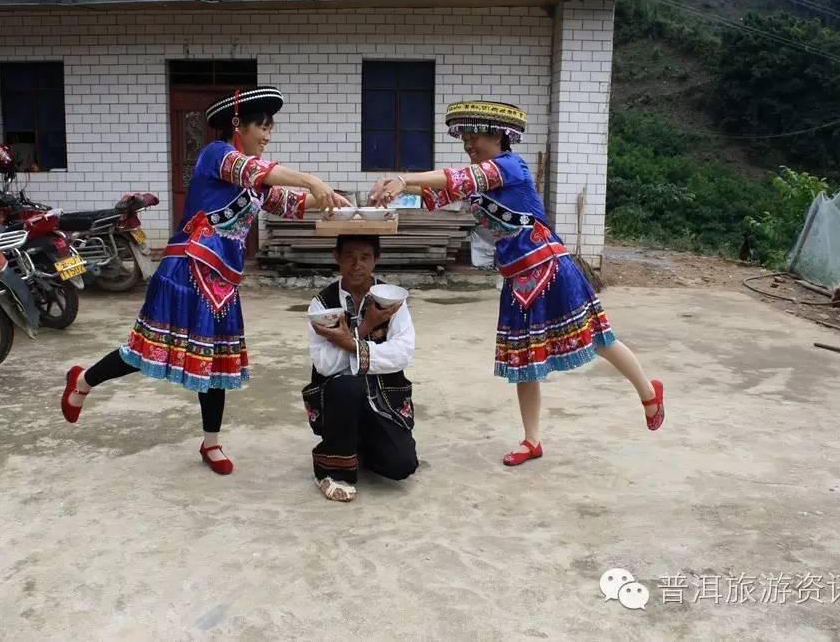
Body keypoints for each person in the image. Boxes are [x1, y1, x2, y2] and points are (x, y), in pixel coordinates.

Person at [60, 86, 349, 475]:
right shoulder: (216, 155)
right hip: (186, 269)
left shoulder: (256, 182)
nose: (267, 135)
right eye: (262, 127)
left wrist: (333, 199)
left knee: (215, 362)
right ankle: (83, 381)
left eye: (270, 128)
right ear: (238, 125)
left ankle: (210, 442)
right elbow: (255, 170)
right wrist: (311, 179)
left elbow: (291, 202)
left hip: (222, 282)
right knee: (148, 349)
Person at [368, 100, 665, 466]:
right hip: (517, 279)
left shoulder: (509, 167)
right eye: (465, 138)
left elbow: (456, 178)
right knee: (525, 360)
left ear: (499, 136)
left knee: (598, 338)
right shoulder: (480, 180)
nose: (469, 144)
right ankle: (532, 440)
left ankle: (648, 392)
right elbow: (436, 194)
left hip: (550, 268)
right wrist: (391, 193)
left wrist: (404, 178)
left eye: (475, 137)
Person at [302, 235, 418, 502]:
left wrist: (346, 343)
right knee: (347, 385)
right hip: (338, 400)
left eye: (365, 257)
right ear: (337, 258)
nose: (357, 265)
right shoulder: (322, 304)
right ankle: (331, 470)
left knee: (401, 466)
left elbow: (402, 353)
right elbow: (325, 364)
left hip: (382, 398)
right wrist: (364, 328)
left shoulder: (392, 300)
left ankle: (358, 445)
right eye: (349, 257)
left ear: (376, 259)